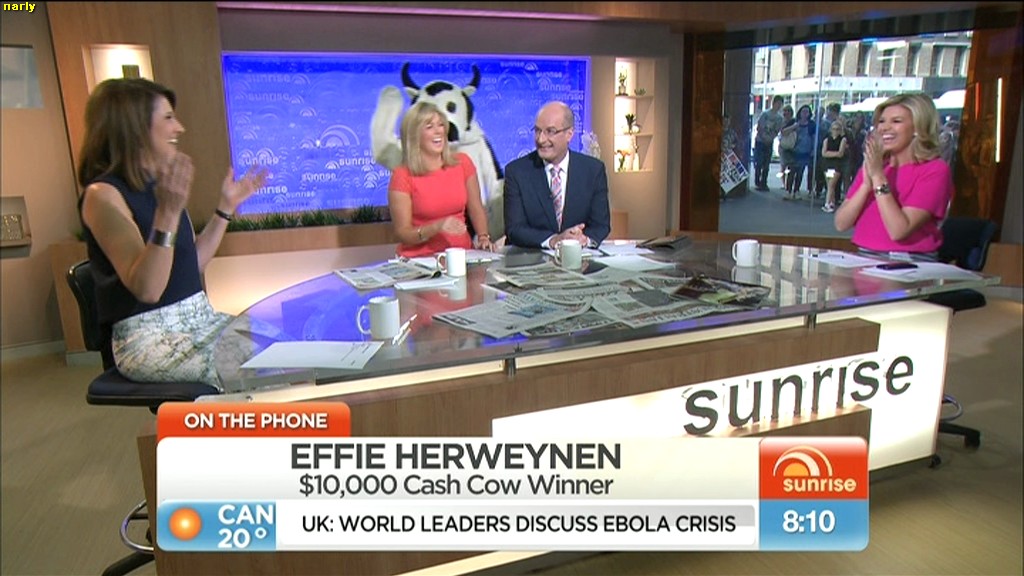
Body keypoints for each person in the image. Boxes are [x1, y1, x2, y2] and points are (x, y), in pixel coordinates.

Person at [77, 78, 267, 388]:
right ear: (134, 127)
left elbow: (192, 265)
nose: (179, 128)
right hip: (149, 341)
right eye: (168, 117)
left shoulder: (161, 187)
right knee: (267, 367)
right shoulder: (102, 196)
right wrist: (168, 212)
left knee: (284, 345)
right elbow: (149, 290)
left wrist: (226, 208)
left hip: (199, 320)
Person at [834, 93, 952, 261]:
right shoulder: (876, 165)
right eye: (882, 121)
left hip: (909, 260)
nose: (884, 128)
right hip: (863, 255)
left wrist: (878, 177)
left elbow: (898, 230)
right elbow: (841, 224)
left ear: (918, 127)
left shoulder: (934, 170)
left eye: (896, 121)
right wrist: (866, 186)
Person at [387, 101, 493, 257]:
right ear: (414, 136)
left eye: (441, 125)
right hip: (420, 260)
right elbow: (403, 233)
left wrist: (483, 237)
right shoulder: (402, 176)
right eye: (429, 127)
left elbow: (476, 208)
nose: (438, 131)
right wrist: (436, 227)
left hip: (461, 256)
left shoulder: (462, 163)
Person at [503, 101, 611, 249]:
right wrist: (554, 240)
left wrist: (583, 240)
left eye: (550, 131)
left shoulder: (593, 170)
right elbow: (514, 229)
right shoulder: (517, 172)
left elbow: (601, 225)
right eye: (537, 131)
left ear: (569, 134)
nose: (541, 139)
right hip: (531, 258)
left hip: (579, 257)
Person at [752, 95, 785, 191]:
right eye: (777, 103)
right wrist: (764, 137)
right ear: (773, 103)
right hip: (760, 141)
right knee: (759, 162)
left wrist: (770, 138)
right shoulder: (765, 114)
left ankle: (764, 183)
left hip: (769, 142)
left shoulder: (779, 118)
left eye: (780, 104)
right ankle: (757, 181)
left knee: (766, 164)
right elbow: (759, 128)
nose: (779, 106)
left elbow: (777, 130)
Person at [820, 120, 849, 213]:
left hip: (836, 165)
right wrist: (834, 154)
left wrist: (830, 153)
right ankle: (831, 202)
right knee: (829, 184)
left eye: (837, 129)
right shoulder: (827, 139)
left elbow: (841, 153)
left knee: (831, 184)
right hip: (827, 164)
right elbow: (824, 153)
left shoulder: (843, 139)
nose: (835, 131)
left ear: (840, 130)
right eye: (833, 129)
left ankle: (827, 203)